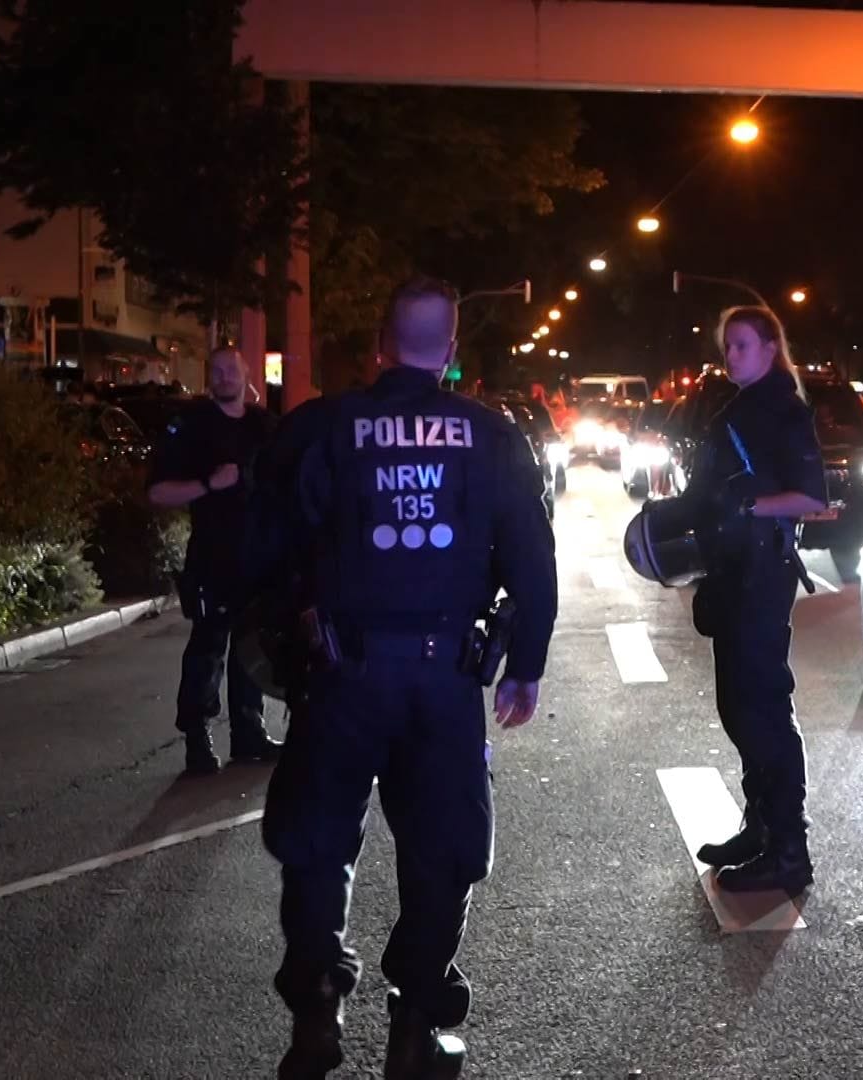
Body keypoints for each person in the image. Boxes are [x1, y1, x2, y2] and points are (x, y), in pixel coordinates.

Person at [260, 277, 558, 1078]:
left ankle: (317, 1005)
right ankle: (416, 1024)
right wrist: (524, 666)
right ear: (451, 352)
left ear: (380, 345)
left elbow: (270, 544)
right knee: (444, 851)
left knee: (318, 844)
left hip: (341, 676)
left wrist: (282, 652)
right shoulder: (490, 435)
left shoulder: (324, 428)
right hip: (442, 681)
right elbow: (532, 560)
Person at [671, 306, 828, 895]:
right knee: (738, 705)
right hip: (733, 569)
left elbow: (811, 495)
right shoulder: (741, 408)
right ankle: (761, 827)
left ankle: (790, 847)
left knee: (761, 706)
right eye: (726, 346)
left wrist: (749, 508)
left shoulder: (784, 410)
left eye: (740, 345)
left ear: (769, 347)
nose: (730, 355)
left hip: (763, 572)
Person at [147, 347, 279, 775]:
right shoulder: (194, 427)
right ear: (210, 378)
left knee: (253, 650)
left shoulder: (264, 426)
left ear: (246, 375)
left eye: (232, 370)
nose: (224, 377)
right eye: (217, 370)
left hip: (258, 560)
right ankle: (197, 735)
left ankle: (249, 732)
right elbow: (157, 492)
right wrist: (208, 484)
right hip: (212, 558)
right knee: (208, 650)